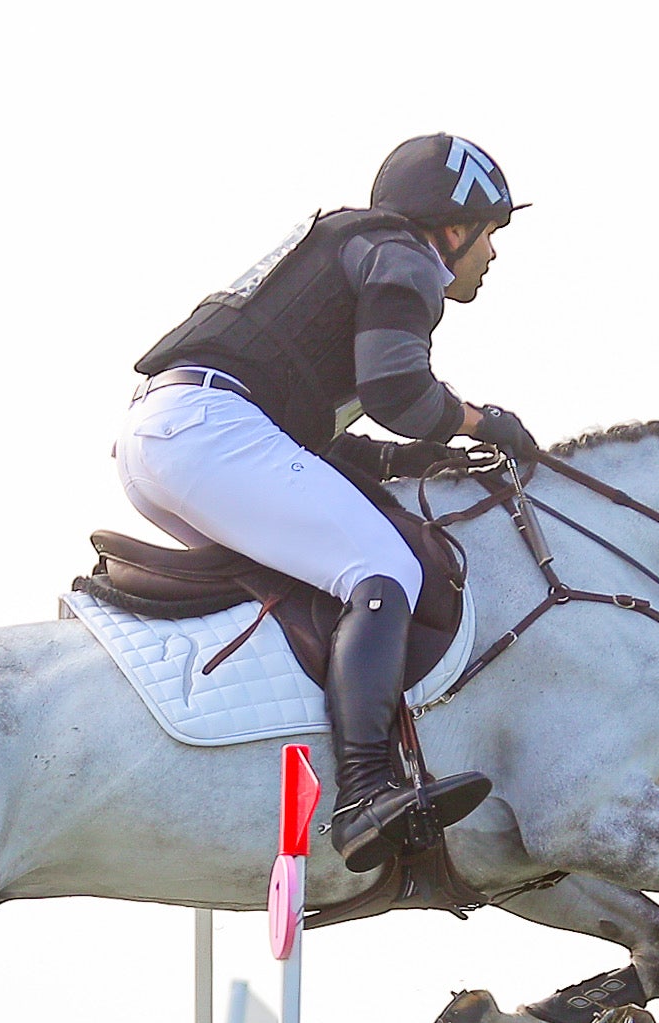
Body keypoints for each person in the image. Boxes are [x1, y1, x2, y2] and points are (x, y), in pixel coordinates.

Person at [118, 134, 542, 872]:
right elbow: (398, 393)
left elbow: (315, 423)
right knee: (382, 572)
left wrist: (395, 458)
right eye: (490, 234)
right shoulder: (406, 257)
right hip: (208, 432)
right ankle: (364, 793)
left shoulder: (356, 247)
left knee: (335, 571)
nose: (492, 256)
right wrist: (483, 421)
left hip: (171, 435)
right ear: (451, 228)